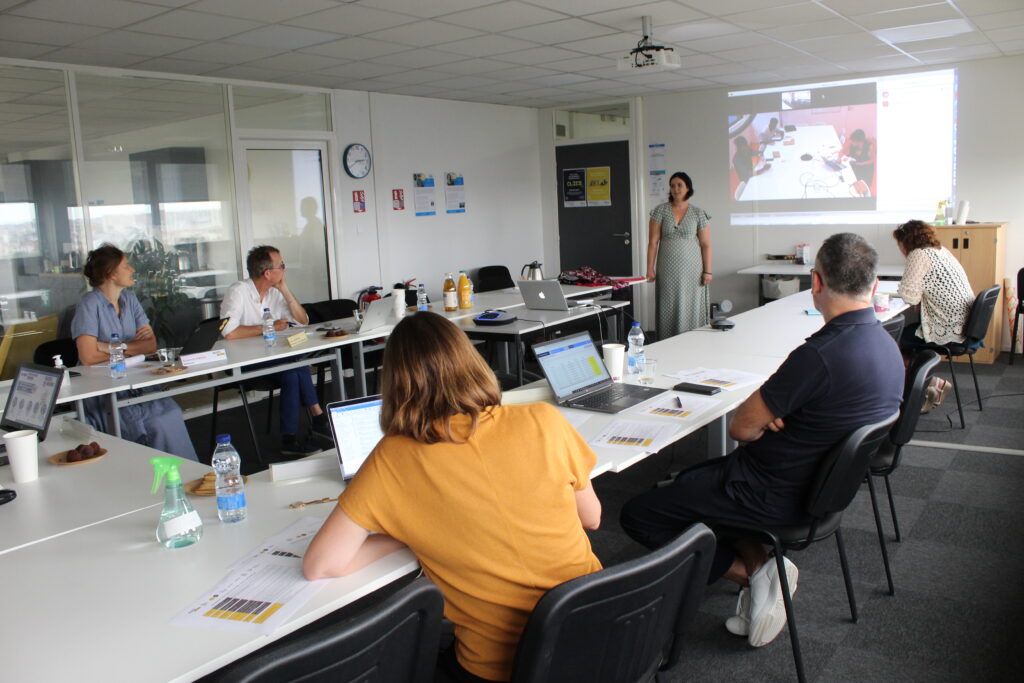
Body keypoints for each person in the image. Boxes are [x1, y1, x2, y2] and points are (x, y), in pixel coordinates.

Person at [622, 233, 903, 650]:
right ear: (875, 286)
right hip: (823, 491)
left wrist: (772, 416)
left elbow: (741, 428)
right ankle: (762, 564)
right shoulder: (888, 345)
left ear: (817, 282)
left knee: (640, 512)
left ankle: (752, 572)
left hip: (771, 492)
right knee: (695, 485)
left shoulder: (818, 356)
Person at [303, 311, 602, 682]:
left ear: (393, 383)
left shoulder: (393, 457)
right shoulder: (543, 419)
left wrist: (411, 530)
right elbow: (591, 518)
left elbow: (322, 564)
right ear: (472, 362)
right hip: (602, 632)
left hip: (504, 669)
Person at [71, 244, 198, 461]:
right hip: (105, 388)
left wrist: (110, 347)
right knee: (157, 421)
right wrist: (129, 349)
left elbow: (150, 345)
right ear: (111, 273)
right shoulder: (89, 305)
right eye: (126, 266)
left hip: (135, 379)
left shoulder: (129, 299)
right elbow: (88, 356)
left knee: (171, 412)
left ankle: (183, 474)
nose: (132, 270)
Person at [220, 245, 328, 456]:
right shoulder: (238, 292)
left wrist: (285, 289)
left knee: (292, 371)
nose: (285, 270)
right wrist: (267, 328)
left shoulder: (274, 293)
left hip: (273, 357)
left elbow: (303, 321)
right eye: (282, 266)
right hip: (245, 361)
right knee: (295, 364)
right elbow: (229, 333)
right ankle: (318, 418)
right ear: (268, 273)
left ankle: (290, 439)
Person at [893, 219, 974, 410]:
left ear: (906, 241)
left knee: (892, 341)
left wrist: (917, 296)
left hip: (947, 327)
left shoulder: (918, 255)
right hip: (965, 325)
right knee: (901, 336)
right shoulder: (941, 251)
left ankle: (930, 384)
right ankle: (932, 384)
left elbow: (908, 296)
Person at [647, 171, 713, 338]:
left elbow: (706, 244)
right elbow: (653, 243)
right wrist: (650, 268)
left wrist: (708, 271)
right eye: (672, 185)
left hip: (692, 269)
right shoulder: (660, 211)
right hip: (667, 268)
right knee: (668, 303)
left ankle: (693, 340)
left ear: (687, 188)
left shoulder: (698, 213)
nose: (675, 189)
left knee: (691, 304)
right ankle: (667, 341)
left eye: (679, 185)